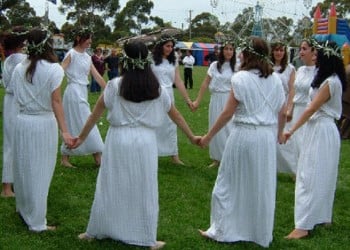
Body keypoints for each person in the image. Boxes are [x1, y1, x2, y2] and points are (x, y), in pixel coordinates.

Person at [70, 41, 199, 249]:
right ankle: (145, 236)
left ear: (124, 60)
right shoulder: (157, 88)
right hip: (145, 142)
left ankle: (97, 230)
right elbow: (176, 116)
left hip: (118, 140)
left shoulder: (114, 85)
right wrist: (192, 137)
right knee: (144, 187)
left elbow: (95, 116)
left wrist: (80, 138)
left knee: (110, 184)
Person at [198, 37, 285, 248]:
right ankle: (257, 232)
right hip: (266, 139)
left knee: (228, 181)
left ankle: (223, 229)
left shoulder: (240, 78)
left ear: (246, 55)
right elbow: (282, 112)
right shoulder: (275, 80)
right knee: (260, 184)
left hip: (243, 135)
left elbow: (228, 112)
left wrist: (209, 136)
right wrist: (278, 133)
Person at [11, 27, 73, 231]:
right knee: (40, 171)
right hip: (43, 123)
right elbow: (56, 101)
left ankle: (23, 208)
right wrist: (65, 131)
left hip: (22, 122)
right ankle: (37, 222)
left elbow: (13, 93)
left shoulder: (20, 67)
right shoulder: (54, 69)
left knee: (23, 167)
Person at [283, 41, 346, 239]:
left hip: (321, 129)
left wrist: (291, 130)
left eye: (319, 54)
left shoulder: (331, 82)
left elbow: (311, 109)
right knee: (317, 173)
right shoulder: (327, 78)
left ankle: (304, 225)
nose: (315, 57)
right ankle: (321, 216)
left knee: (310, 175)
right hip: (319, 129)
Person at [60, 27, 106, 168]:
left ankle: (66, 158)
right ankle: (97, 157)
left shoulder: (87, 57)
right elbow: (60, 70)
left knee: (80, 123)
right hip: (73, 92)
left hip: (82, 91)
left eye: (91, 38)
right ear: (79, 38)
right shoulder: (71, 54)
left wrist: (108, 88)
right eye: (88, 38)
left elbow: (95, 74)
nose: (90, 41)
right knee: (85, 121)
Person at [151, 34, 194, 165]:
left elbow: (178, 80)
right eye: (167, 46)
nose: (170, 49)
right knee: (154, 123)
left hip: (169, 93)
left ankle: (174, 155)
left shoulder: (173, 59)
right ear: (160, 46)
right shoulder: (151, 60)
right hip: (154, 94)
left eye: (171, 46)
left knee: (170, 124)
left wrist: (187, 99)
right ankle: (152, 152)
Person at [193, 41, 236, 168]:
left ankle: (229, 157)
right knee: (214, 127)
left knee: (229, 128)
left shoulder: (238, 67)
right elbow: (205, 83)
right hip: (216, 99)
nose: (229, 51)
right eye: (226, 49)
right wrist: (197, 101)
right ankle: (217, 158)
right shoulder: (214, 65)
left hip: (230, 100)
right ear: (222, 51)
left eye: (231, 49)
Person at [1, 27, 27, 198]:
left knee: (12, 143)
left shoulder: (8, 59)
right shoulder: (21, 59)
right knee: (14, 144)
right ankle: (7, 188)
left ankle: (13, 183)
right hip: (17, 101)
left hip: (11, 101)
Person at [286, 39, 317, 174]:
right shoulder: (300, 70)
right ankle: (297, 171)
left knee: (307, 143)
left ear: (314, 51)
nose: (301, 52)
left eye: (304, 49)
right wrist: (290, 110)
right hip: (297, 109)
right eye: (300, 49)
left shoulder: (319, 71)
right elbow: (294, 91)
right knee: (296, 142)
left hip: (310, 110)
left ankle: (308, 171)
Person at [270, 41, 297, 174]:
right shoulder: (267, 67)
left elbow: (292, 89)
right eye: (276, 50)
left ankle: (292, 169)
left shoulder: (290, 69)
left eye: (281, 50)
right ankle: (270, 165)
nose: (278, 53)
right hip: (270, 105)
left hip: (283, 104)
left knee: (283, 138)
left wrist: (289, 107)